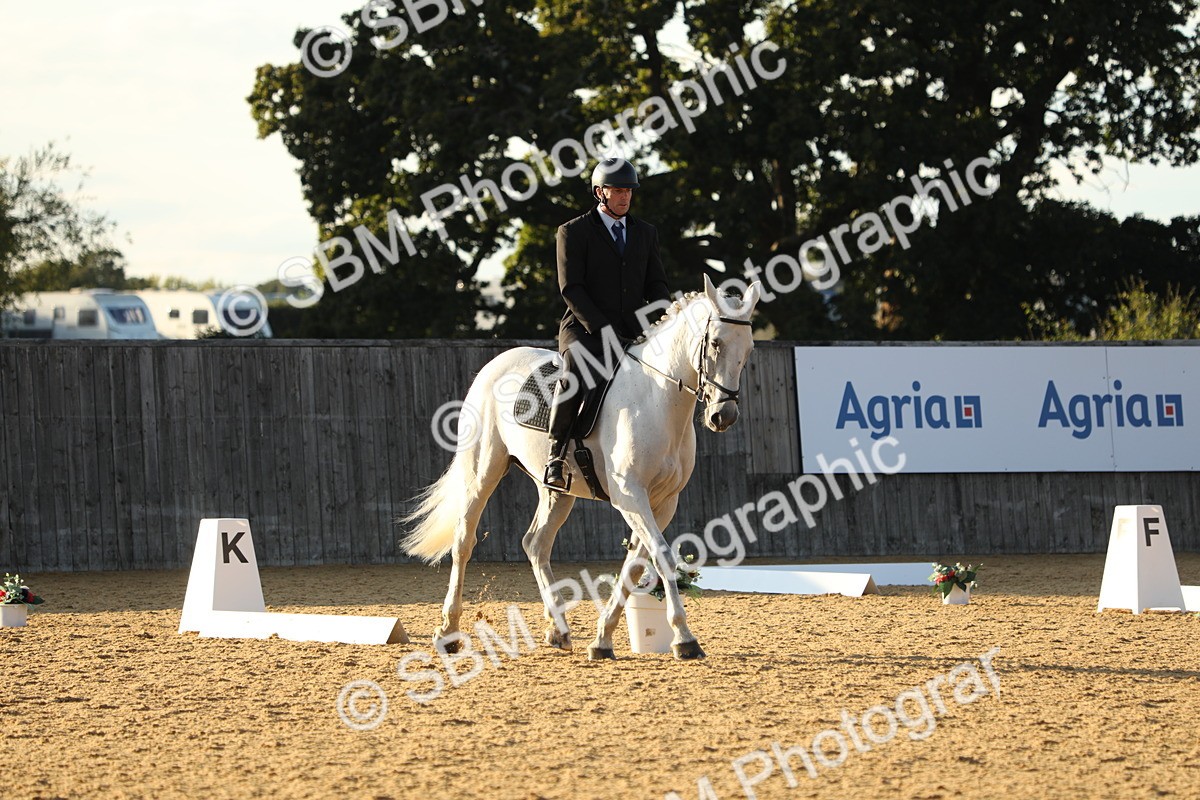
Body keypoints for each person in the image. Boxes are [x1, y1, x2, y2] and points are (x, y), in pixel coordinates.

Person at [543, 157, 671, 491]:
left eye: (628, 190)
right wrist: (603, 329)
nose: (624, 197)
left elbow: (657, 285)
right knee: (574, 367)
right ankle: (555, 454)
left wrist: (660, 318)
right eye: (617, 190)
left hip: (632, 329)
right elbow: (572, 288)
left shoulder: (646, 233)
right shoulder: (573, 231)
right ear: (600, 192)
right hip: (585, 328)